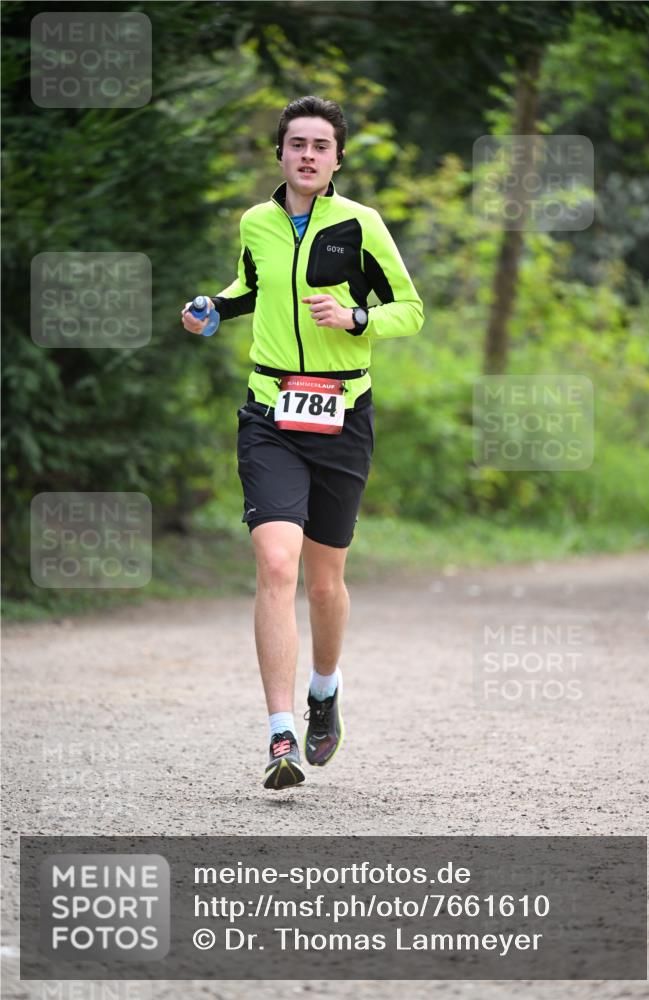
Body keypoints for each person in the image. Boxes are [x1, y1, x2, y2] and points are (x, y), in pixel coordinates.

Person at [182, 95, 423, 790]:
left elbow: (409, 310)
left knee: (323, 583)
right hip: (270, 412)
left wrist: (355, 317)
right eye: (297, 144)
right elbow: (251, 286)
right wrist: (211, 308)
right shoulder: (256, 222)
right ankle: (280, 732)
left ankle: (324, 689)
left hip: (341, 416)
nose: (308, 155)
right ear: (281, 153)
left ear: (337, 158)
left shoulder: (361, 224)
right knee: (276, 564)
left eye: (321, 145)